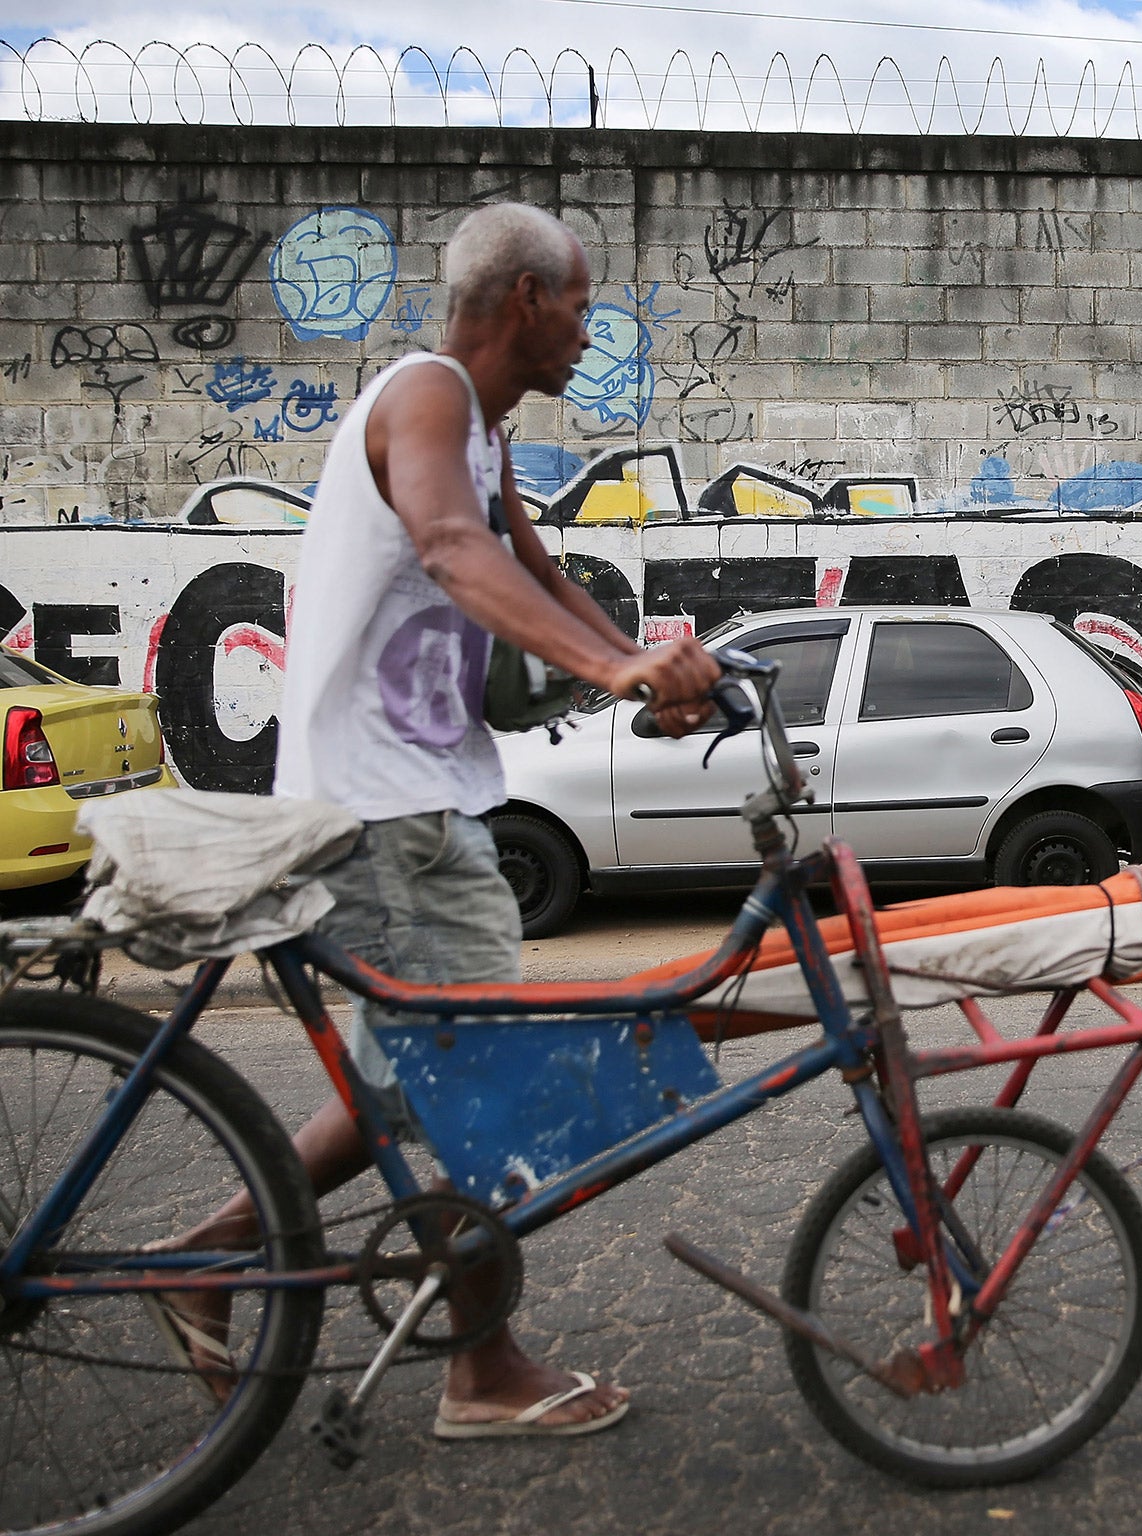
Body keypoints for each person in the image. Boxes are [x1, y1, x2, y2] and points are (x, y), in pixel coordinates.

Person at [156, 204, 722, 1438]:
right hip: (384, 810)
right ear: (523, 298)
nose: (589, 327)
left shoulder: (481, 432)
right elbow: (456, 551)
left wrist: (649, 663)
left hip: (414, 798)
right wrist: (623, 675)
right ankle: (482, 1373)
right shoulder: (423, 398)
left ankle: (211, 1257)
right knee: (484, 1081)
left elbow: (533, 569)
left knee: (402, 1076)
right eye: (578, 303)